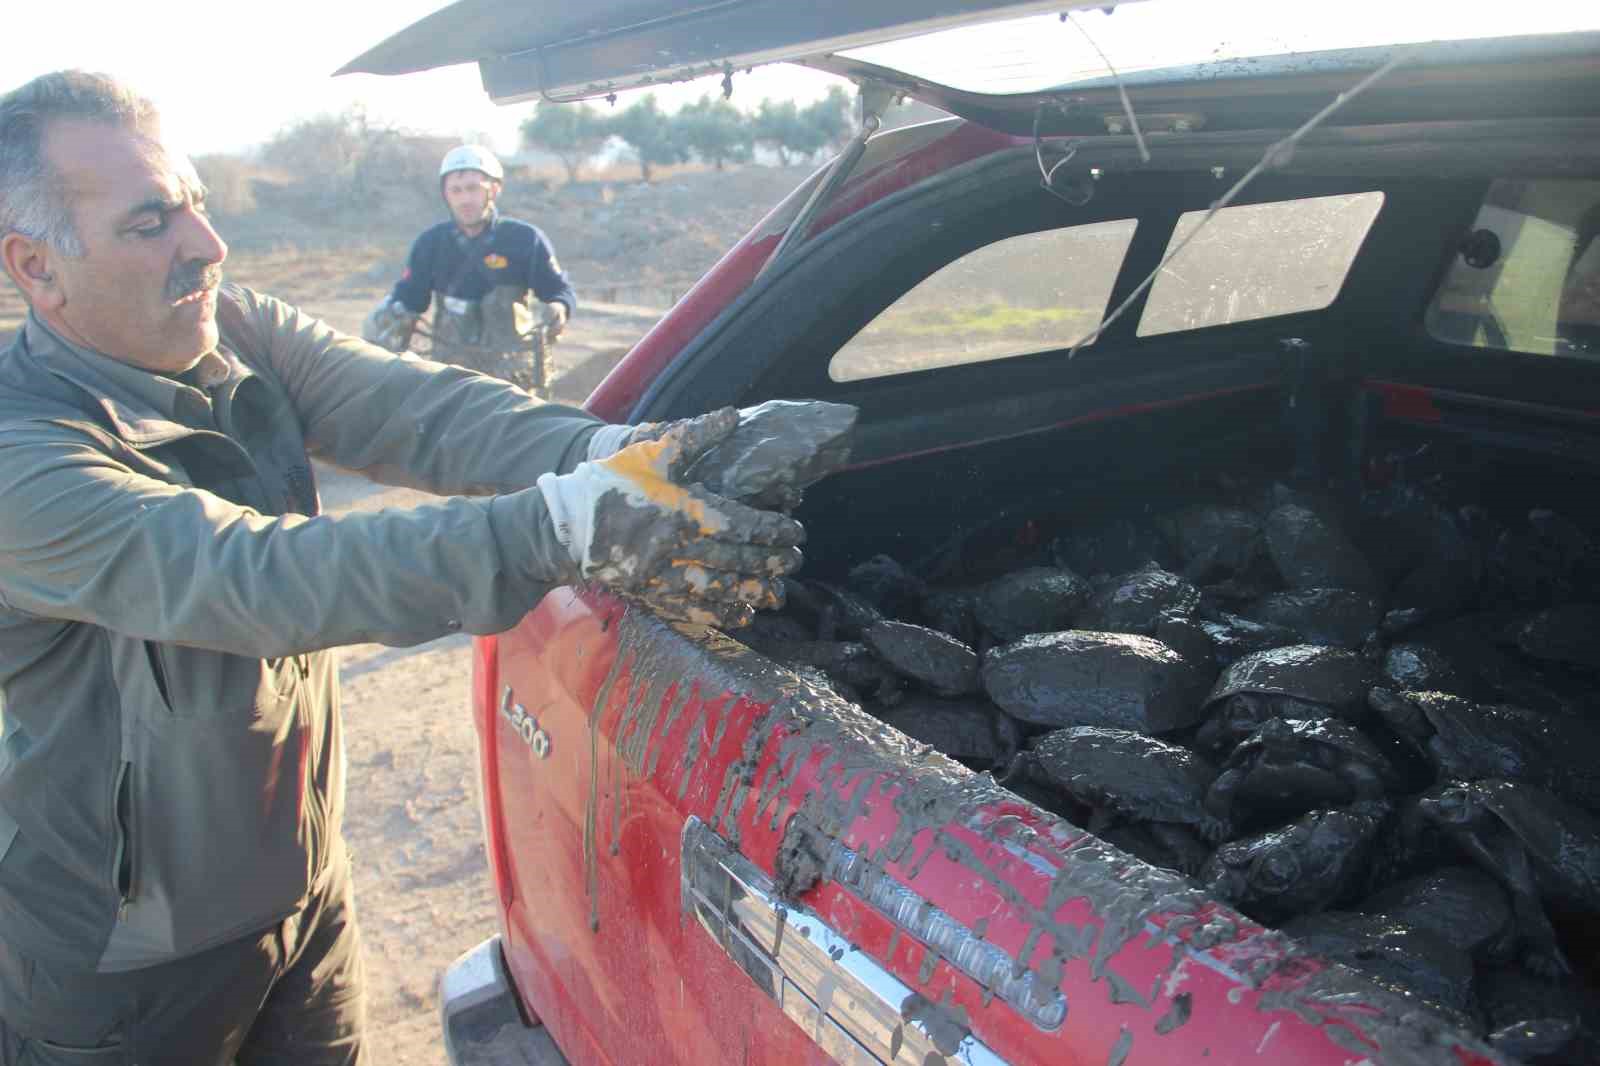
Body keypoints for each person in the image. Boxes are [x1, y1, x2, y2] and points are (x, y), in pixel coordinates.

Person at [0, 71, 804, 1066]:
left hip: (303, 896)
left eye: (198, 204)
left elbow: (424, 410)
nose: (205, 246)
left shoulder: (236, 333)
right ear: (37, 267)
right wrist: (565, 526)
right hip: (124, 966)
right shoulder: (20, 453)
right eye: (150, 222)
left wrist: (624, 459)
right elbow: (257, 580)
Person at [363, 145, 574, 392]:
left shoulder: (525, 239)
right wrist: (390, 312)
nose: (465, 199)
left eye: (473, 188)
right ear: (446, 194)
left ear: (494, 190)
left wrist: (559, 308)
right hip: (449, 373)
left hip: (513, 375)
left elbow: (558, 290)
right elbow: (411, 298)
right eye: (456, 190)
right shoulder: (431, 243)